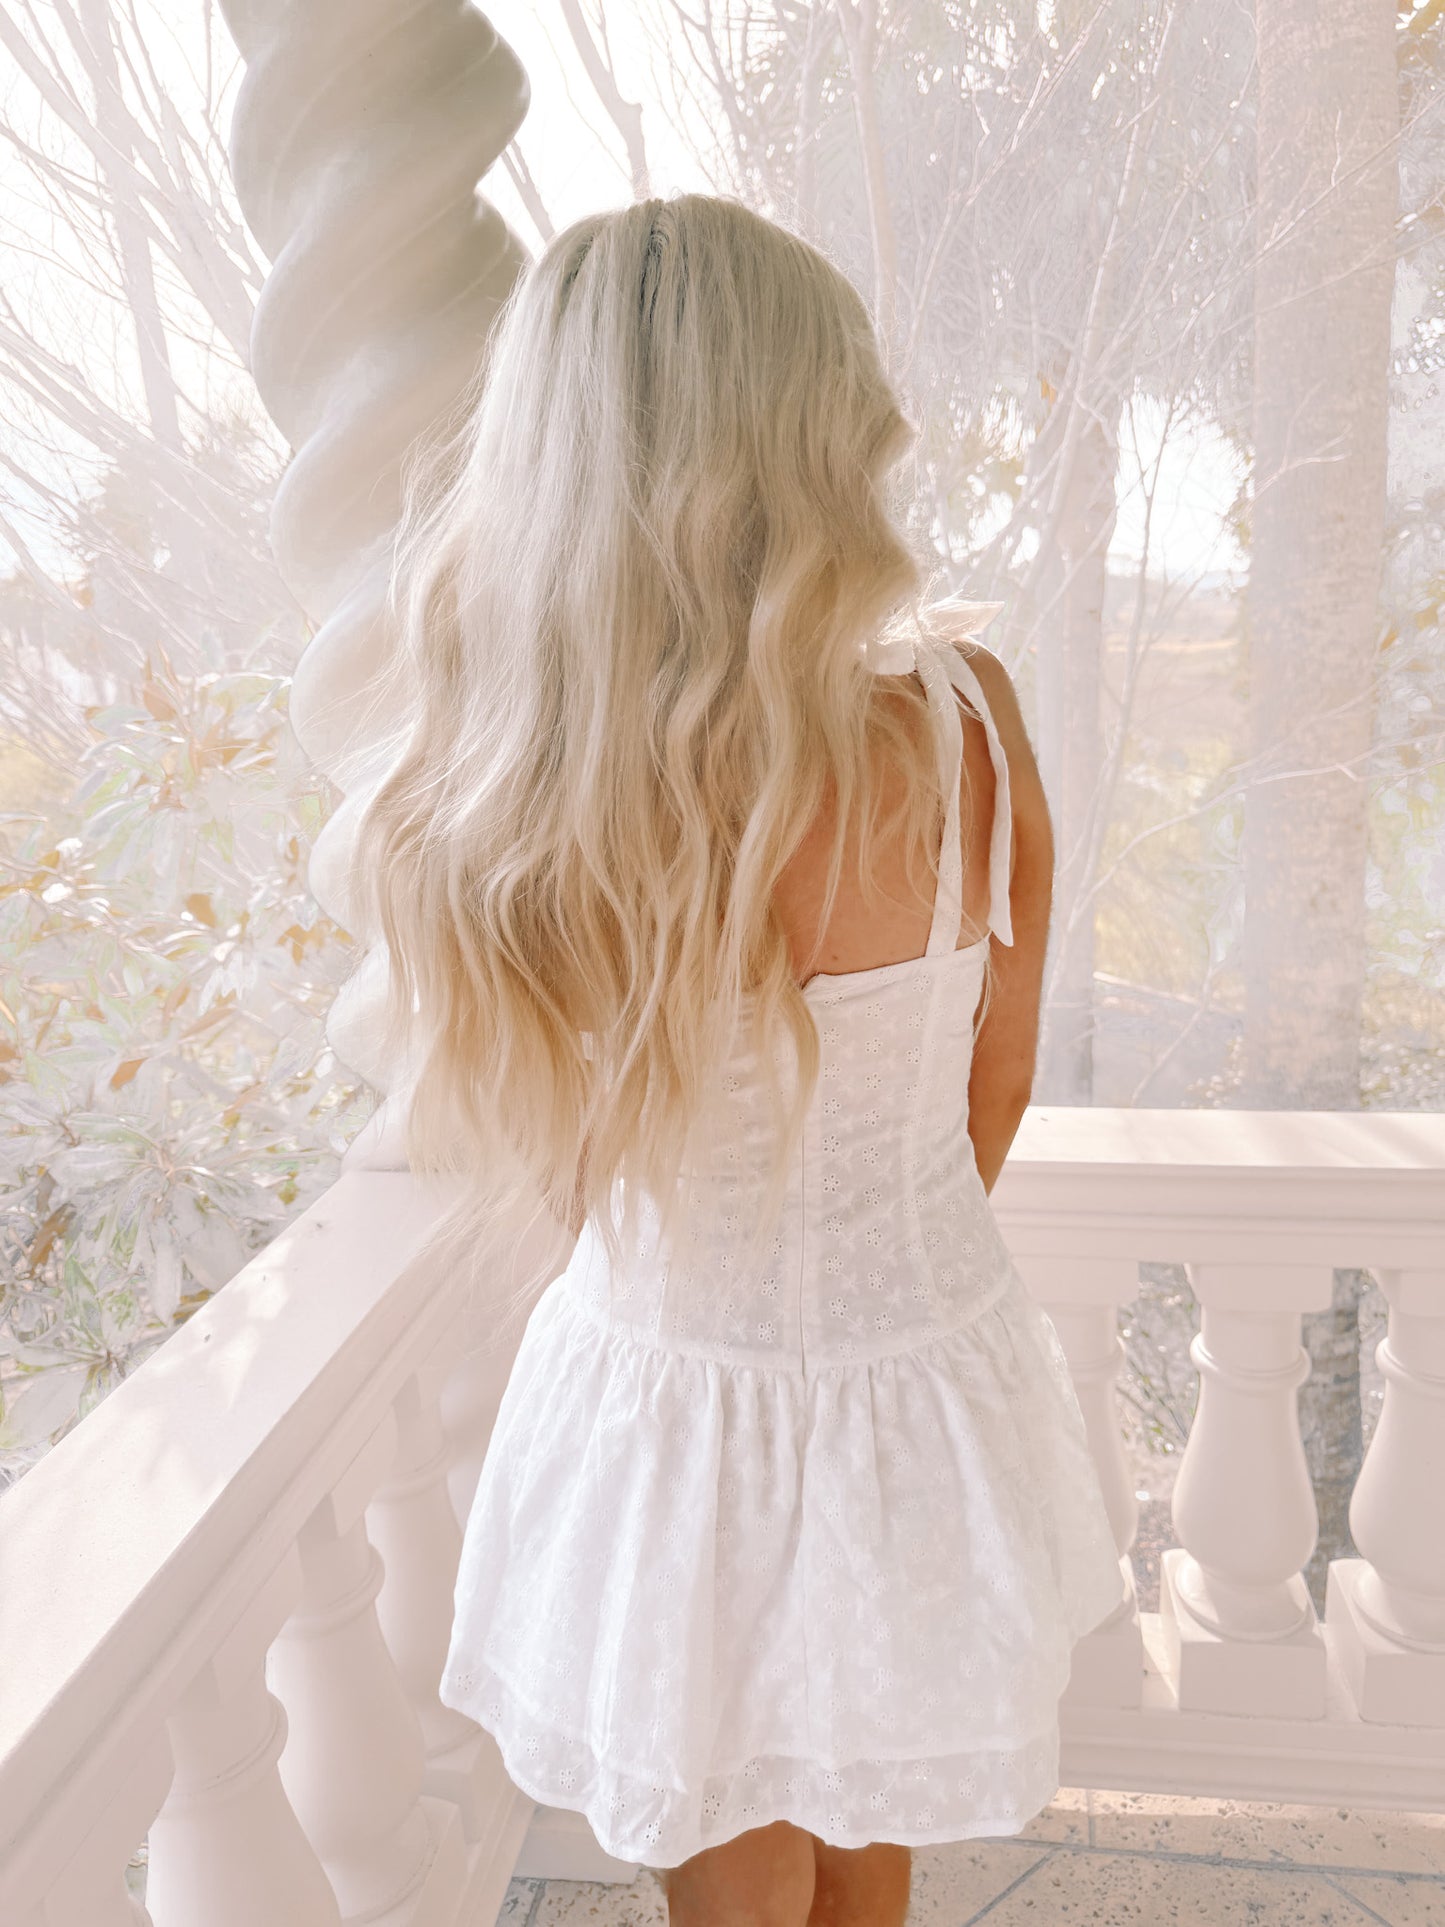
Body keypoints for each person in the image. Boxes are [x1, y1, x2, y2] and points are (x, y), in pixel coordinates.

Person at [352, 192, 1121, 1926]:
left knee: (736, 1866)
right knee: (863, 1836)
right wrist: (873, 1284)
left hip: (672, 1400)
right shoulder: (966, 723)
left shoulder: (525, 803)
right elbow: (990, 1091)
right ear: (811, 433)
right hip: (919, 1377)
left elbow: (560, 1163)